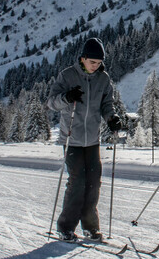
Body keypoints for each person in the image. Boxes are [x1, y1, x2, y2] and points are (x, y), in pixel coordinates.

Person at [47, 38, 124, 243]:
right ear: (83, 58)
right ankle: (65, 227)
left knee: (93, 183)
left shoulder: (103, 79)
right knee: (77, 182)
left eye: (99, 63)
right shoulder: (67, 76)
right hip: (71, 139)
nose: (96, 66)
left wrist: (112, 118)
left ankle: (90, 227)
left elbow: (107, 104)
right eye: (92, 62)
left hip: (92, 139)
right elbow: (52, 102)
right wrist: (66, 97)